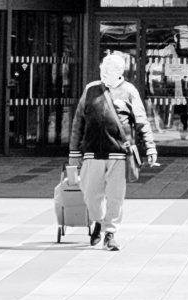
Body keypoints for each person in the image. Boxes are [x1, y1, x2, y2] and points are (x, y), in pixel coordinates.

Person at [67, 52, 157, 252]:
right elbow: (78, 121)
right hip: (92, 152)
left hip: (118, 153)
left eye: (110, 69)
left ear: (120, 71)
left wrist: (150, 147)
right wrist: (74, 151)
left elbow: (141, 121)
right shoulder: (90, 89)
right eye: (103, 69)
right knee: (90, 195)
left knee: (115, 196)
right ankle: (98, 221)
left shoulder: (129, 90)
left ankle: (110, 233)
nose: (105, 72)